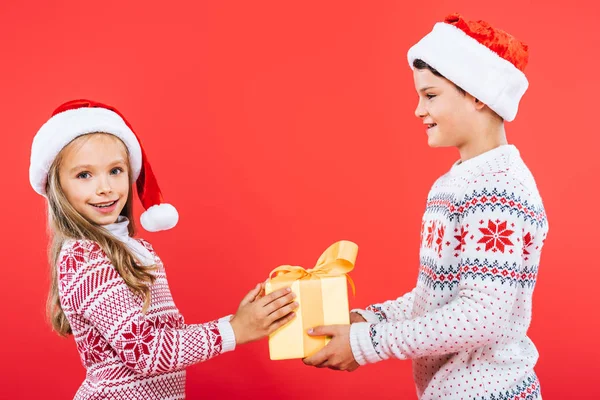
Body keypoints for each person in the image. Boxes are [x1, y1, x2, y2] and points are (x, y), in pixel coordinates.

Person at [303, 13, 548, 400]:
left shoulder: (501, 189)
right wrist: (366, 320)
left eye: (431, 95)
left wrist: (368, 343)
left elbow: (480, 316)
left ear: (478, 94)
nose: (419, 110)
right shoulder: (454, 183)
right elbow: (436, 297)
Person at [29, 99, 298, 399]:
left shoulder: (137, 249)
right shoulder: (85, 257)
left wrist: (239, 321)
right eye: (84, 175)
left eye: (115, 170)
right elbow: (144, 351)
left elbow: (168, 339)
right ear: (57, 187)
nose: (105, 187)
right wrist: (235, 330)